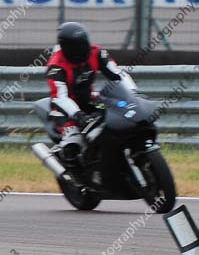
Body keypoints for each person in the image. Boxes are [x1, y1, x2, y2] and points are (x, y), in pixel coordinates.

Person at [45, 22, 138, 182]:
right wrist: (77, 115)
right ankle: (74, 177)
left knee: (118, 118)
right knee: (73, 142)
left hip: (89, 99)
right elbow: (60, 97)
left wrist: (133, 93)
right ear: (67, 47)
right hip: (64, 108)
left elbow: (118, 74)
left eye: (84, 42)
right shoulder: (56, 67)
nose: (83, 48)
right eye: (77, 45)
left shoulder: (96, 52)